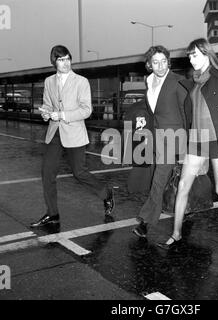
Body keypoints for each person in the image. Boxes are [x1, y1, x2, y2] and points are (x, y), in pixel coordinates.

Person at [158, 38, 218, 250]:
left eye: (194, 54)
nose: (191, 58)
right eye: (189, 55)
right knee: (182, 186)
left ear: (207, 54)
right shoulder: (193, 81)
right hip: (196, 140)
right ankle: (176, 233)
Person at [30, 45, 114, 228]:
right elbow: (47, 105)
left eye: (68, 59)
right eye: (61, 60)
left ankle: (106, 193)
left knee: (79, 172)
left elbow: (86, 110)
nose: (65, 63)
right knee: (47, 173)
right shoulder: (49, 81)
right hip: (54, 133)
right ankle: (52, 214)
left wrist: (61, 115)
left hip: (74, 132)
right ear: (54, 62)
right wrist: (46, 113)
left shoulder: (81, 81)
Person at [132, 45, 187, 238]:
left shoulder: (178, 82)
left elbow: (187, 113)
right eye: (156, 62)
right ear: (149, 64)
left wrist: (189, 144)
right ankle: (184, 209)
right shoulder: (149, 81)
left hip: (174, 138)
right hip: (157, 137)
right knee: (167, 179)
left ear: (169, 62)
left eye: (164, 61)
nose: (161, 66)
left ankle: (145, 222)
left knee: (158, 180)